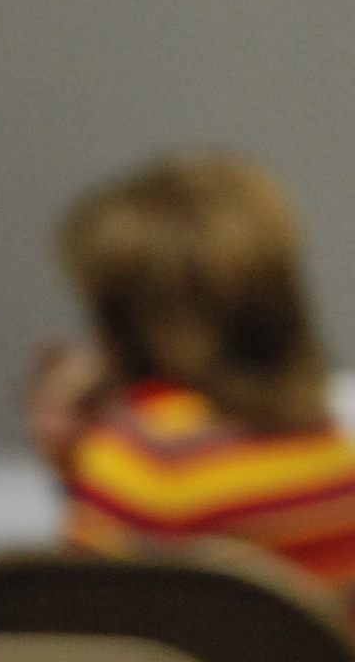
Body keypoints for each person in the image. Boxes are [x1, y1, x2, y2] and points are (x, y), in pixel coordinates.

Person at [27, 151, 355, 602]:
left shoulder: (147, 462)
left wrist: (86, 470)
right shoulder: (332, 451)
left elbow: (84, 623)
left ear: (123, 324)